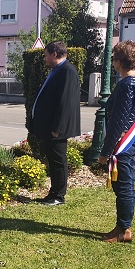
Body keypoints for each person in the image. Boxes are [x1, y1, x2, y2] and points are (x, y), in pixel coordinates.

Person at [97, 40, 135, 243]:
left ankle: (124, 230)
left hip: (123, 145)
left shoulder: (126, 85)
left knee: (124, 188)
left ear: (119, 61)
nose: (113, 63)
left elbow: (118, 122)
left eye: (114, 59)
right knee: (124, 186)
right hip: (132, 141)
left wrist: (105, 152)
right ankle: (121, 227)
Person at [27, 41, 81, 206]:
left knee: (58, 162)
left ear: (55, 54)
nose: (45, 59)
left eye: (46, 55)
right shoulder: (57, 70)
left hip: (57, 129)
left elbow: (66, 102)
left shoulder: (67, 71)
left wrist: (58, 128)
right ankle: (53, 193)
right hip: (50, 127)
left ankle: (58, 196)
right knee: (53, 160)